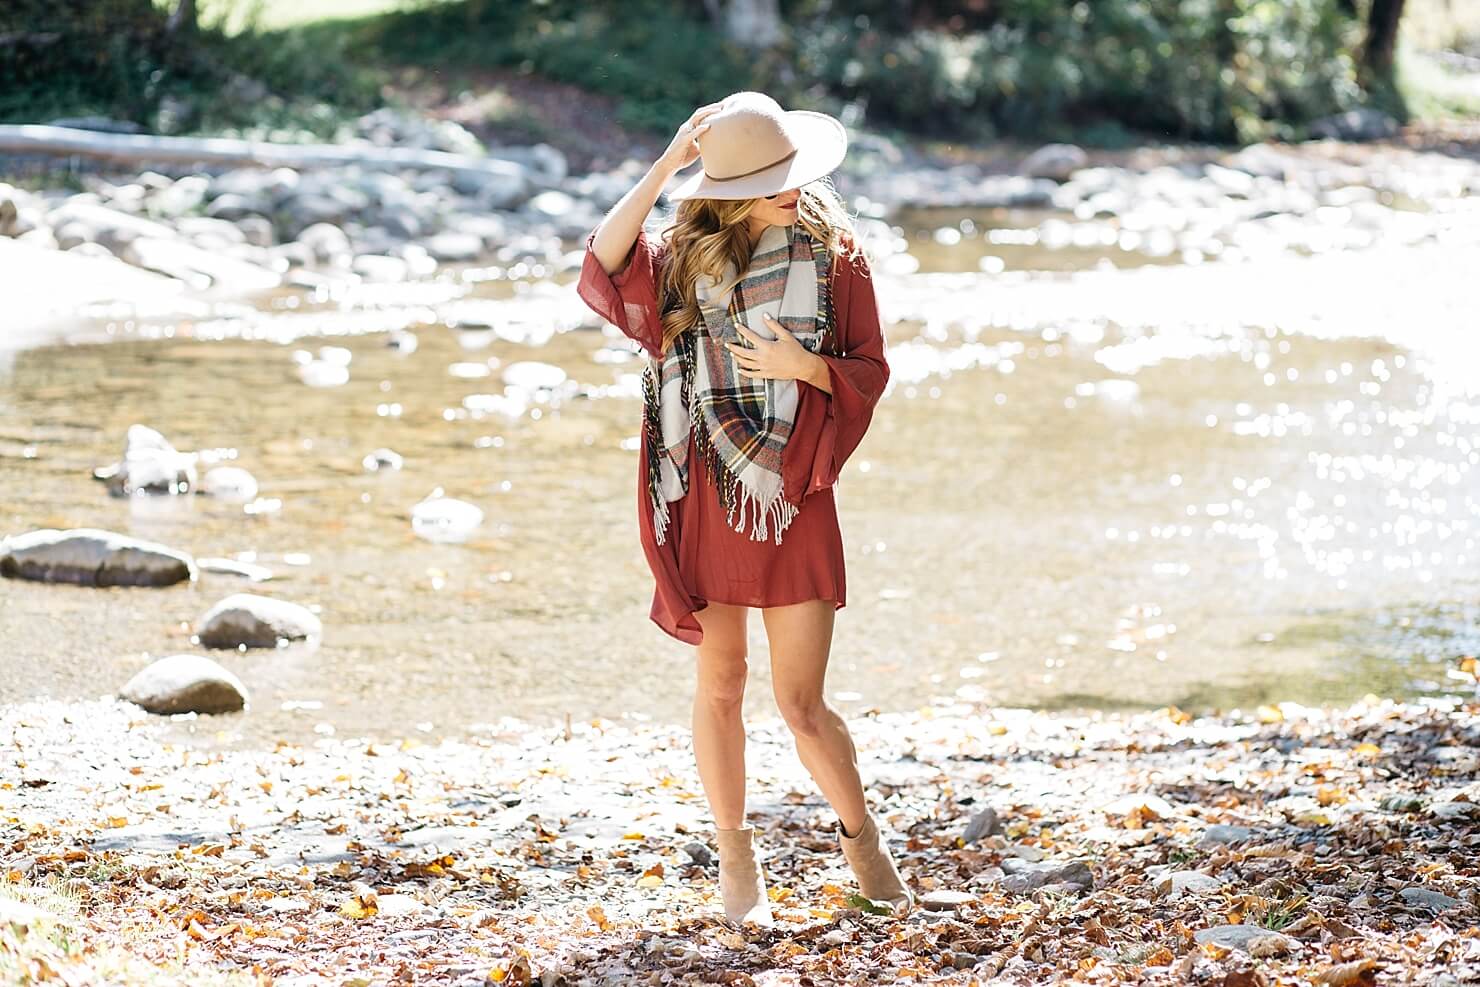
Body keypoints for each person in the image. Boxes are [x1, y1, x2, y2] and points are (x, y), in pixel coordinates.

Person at [576, 91, 911, 925]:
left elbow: (870, 368)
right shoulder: (685, 258)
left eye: (792, 172)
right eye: (770, 180)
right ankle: (736, 863)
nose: (791, 188)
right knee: (721, 680)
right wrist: (666, 166)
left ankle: (868, 852)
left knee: (802, 703)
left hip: (791, 491)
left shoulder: (839, 257)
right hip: (703, 491)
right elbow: (603, 262)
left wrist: (810, 368)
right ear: (726, 191)